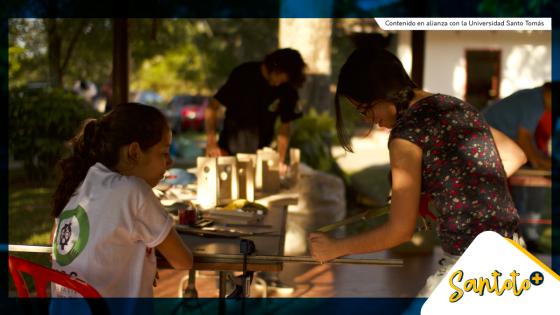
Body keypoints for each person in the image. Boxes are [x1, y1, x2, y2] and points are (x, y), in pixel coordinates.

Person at [308, 48, 527, 297]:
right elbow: (514, 155)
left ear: (380, 94)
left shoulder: (405, 134)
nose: (370, 119)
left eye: (365, 109)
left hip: (474, 265)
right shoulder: (454, 106)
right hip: (511, 252)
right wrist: (450, 192)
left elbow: (399, 230)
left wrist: (336, 248)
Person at [50, 103, 193, 298]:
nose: (170, 162)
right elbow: (183, 261)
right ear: (134, 152)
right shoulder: (134, 190)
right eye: (163, 153)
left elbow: (56, 242)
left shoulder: (79, 183)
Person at [205, 48, 306, 175]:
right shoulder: (243, 74)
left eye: (284, 81)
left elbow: (285, 127)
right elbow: (211, 108)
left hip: (261, 157)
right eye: (280, 78)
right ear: (275, 68)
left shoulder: (287, 89)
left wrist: (279, 160)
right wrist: (211, 143)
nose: (279, 84)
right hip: (228, 152)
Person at [482, 82, 552, 170]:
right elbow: (524, 140)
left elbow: (528, 141)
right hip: (486, 136)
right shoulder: (535, 102)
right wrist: (539, 162)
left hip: (487, 135)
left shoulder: (533, 95)